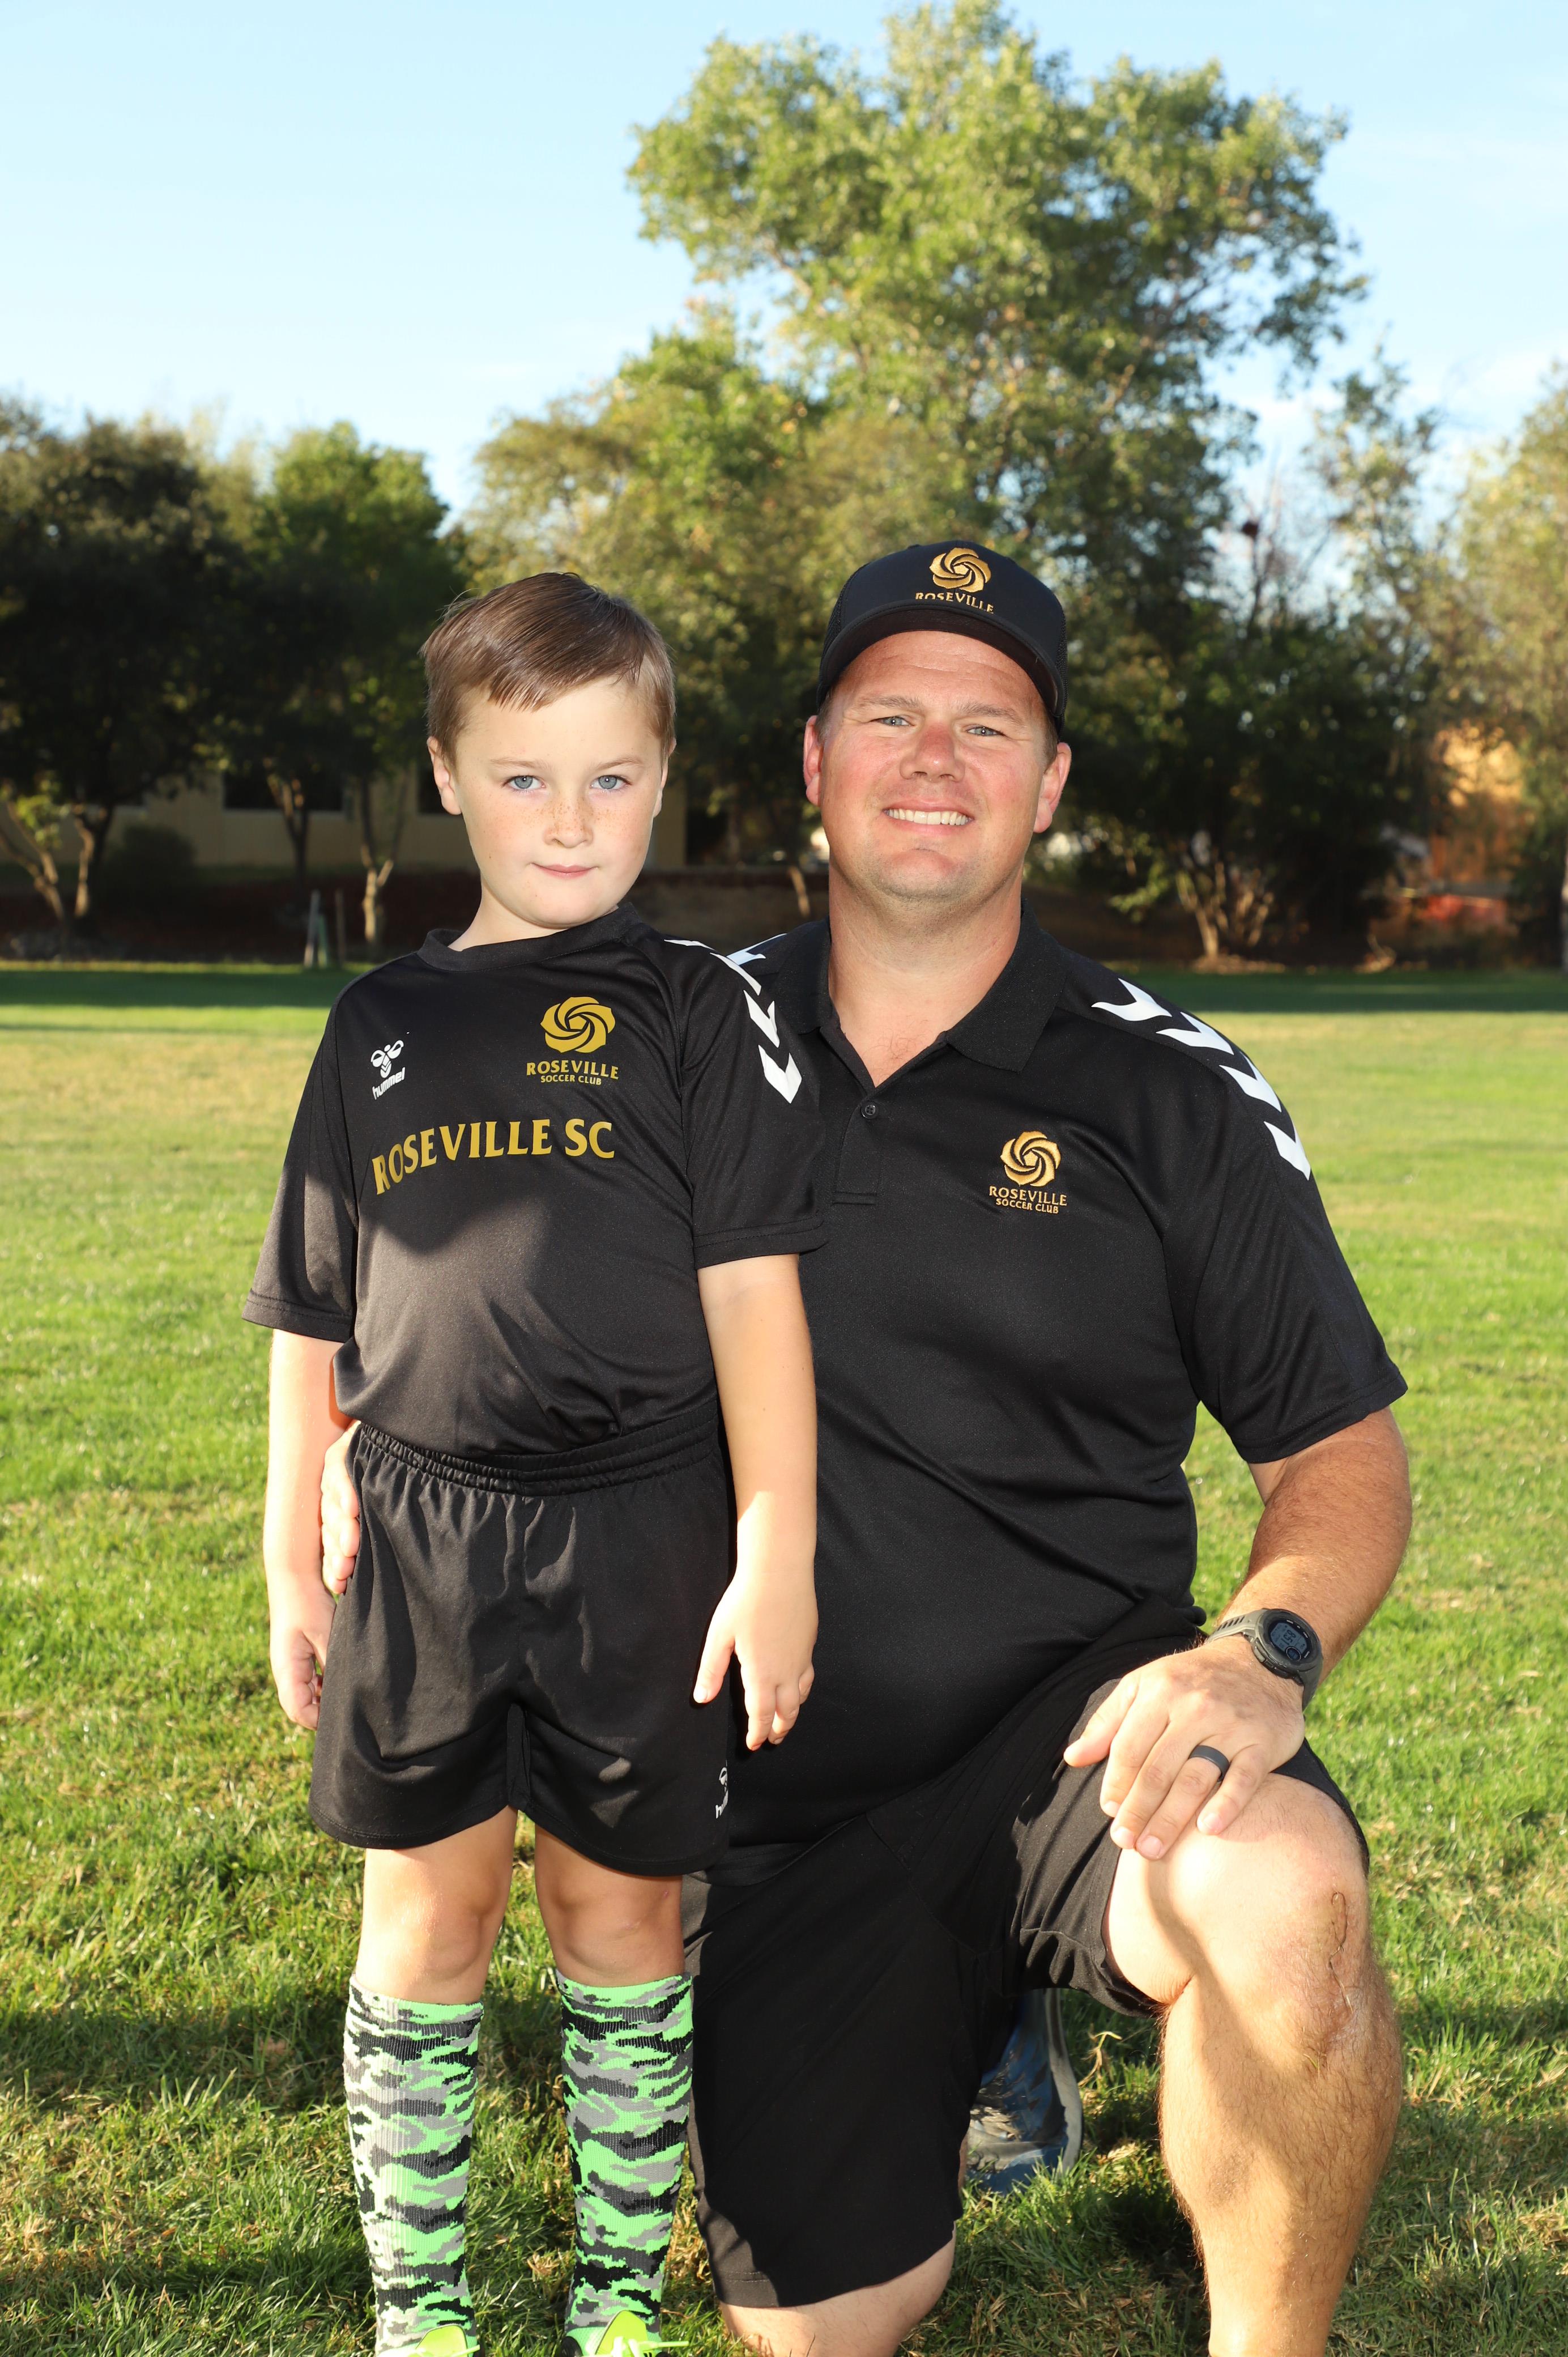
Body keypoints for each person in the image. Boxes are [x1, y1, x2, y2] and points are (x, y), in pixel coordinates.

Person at [326, 543, 1411, 2357]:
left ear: (1048, 786)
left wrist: (1262, 1653)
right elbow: (459, 1264)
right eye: (890, 715)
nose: (935, 759)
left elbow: (1341, 1458)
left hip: (1079, 1735)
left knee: (1286, 1897)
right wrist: (375, 1436)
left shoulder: (1169, 1088)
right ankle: (979, 2030)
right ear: (816, 763)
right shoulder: (668, 1034)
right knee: (825, 2327)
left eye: (989, 726)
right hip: (775, 1793)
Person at [249, 573, 824, 2357]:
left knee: (614, 1909)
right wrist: (286, 1557)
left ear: (662, 782)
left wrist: (777, 1546)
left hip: (642, 1534)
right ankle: (420, 2308)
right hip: (417, 1537)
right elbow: (312, 1318)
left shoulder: (697, 1011)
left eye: (610, 778)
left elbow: (756, 1299)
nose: (569, 819)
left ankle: (616, 2304)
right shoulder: (377, 1023)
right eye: (522, 777)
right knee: (430, 1914)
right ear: (446, 775)